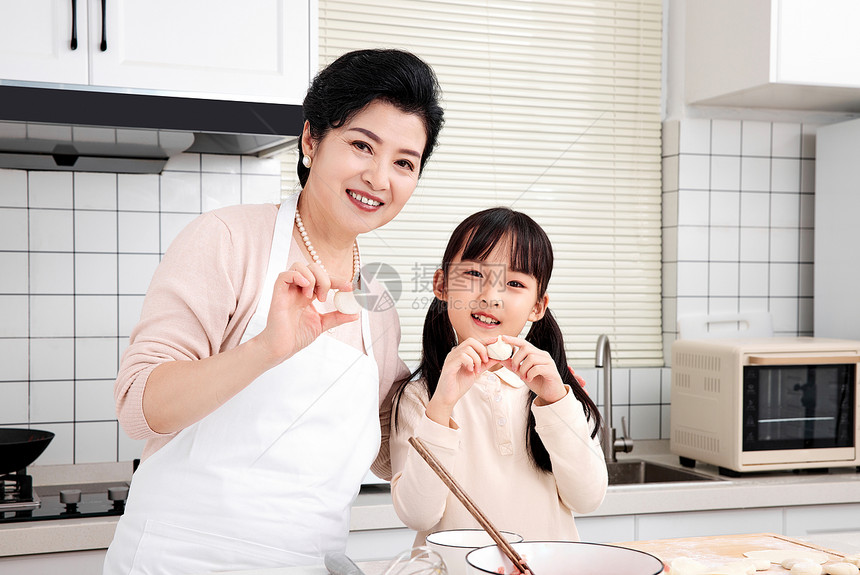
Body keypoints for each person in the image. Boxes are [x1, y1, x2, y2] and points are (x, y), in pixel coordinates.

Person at [103, 48, 444, 574]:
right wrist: (267, 349)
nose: (379, 178)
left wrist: (494, 394)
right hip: (182, 560)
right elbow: (137, 406)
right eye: (361, 145)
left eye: (404, 162)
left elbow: (389, 450)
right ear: (311, 140)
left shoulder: (377, 302)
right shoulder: (229, 240)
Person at [388, 207, 608, 546]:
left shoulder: (555, 392)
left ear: (538, 306)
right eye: (474, 274)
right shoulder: (422, 396)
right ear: (441, 284)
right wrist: (442, 407)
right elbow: (417, 514)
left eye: (515, 283)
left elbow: (588, 498)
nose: (490, 296)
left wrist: (556, 402)